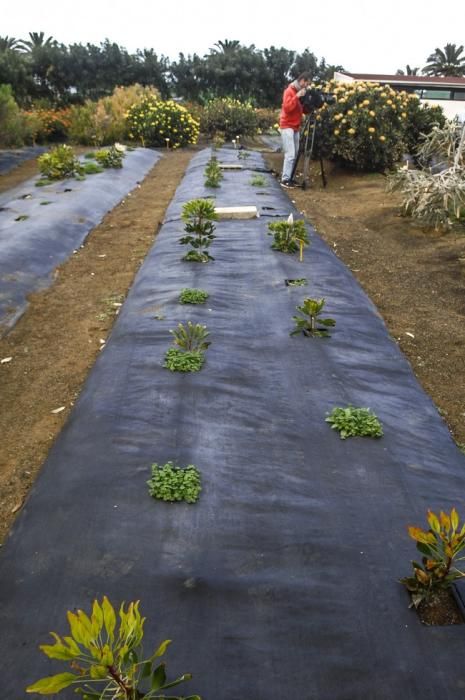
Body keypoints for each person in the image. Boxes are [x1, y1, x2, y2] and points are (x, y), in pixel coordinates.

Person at [279, 72, 311, 188]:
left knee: (295, 153)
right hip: (287, 125)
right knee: (290, 154)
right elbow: (287, 108)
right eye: (306, 83)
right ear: (302, 81)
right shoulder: (290, 91)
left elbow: (301, 109)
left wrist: (309, 105)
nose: (306, 86)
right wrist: (297, 96)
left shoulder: (300, 93)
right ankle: (285, 179)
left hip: (295, 127)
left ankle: (290, 177)